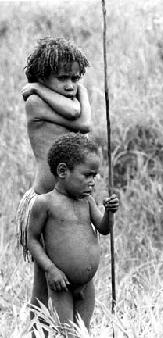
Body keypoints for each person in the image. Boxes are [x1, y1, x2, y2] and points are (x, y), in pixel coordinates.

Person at [15, 37, 92, 330]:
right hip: (45, 200)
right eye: (63, 78)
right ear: (41, 77)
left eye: (76, 78)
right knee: (44, 276)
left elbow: (84, 124)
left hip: (68, 201)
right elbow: (79, 117)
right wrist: (35, 88)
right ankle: (37, 330)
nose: (71, 85)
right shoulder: (34, 100)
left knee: (72, 270)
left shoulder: (64, 97)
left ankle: (71, 329)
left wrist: (80, 91)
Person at [27, 133, 119, 335]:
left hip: (87, 285)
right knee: (68, 332)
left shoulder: (87, 201)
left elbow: (104, 229)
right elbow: (31, 239)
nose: (92, 182)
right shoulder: (45, 203)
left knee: (83, 332)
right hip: (62, 285)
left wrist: (110, 213)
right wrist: (50, 269)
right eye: (87, 175)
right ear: (62, 171)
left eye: (94, 176)